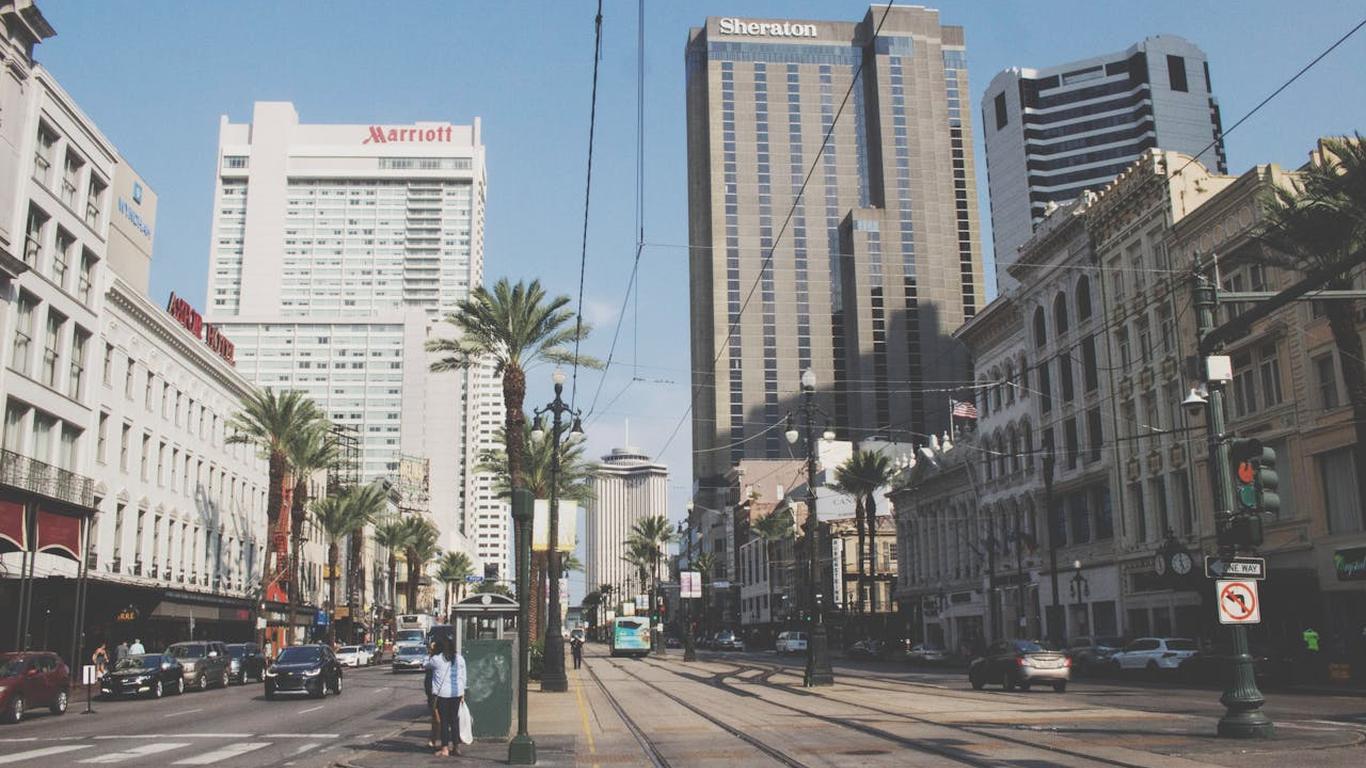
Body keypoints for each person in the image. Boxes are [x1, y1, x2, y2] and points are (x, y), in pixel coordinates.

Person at [424, 636, 466, 757]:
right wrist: (463, 692)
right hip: (456, 693)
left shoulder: (436, 659)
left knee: (444, 721)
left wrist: (431, 652)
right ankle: (456, 747)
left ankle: (445, 749)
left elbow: (425, 664)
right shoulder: (460, 659)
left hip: (442, 694)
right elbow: (463, 677)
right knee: (454, 721)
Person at [424, 640, 441, 750]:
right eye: (430, 648)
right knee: (435, 718)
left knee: (438, 718)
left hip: (439, 692)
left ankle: (436, 740)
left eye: (432, 648)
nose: (430, 649)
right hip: (432, 692)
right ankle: (433, 739)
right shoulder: (431, 659)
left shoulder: (437, 660)